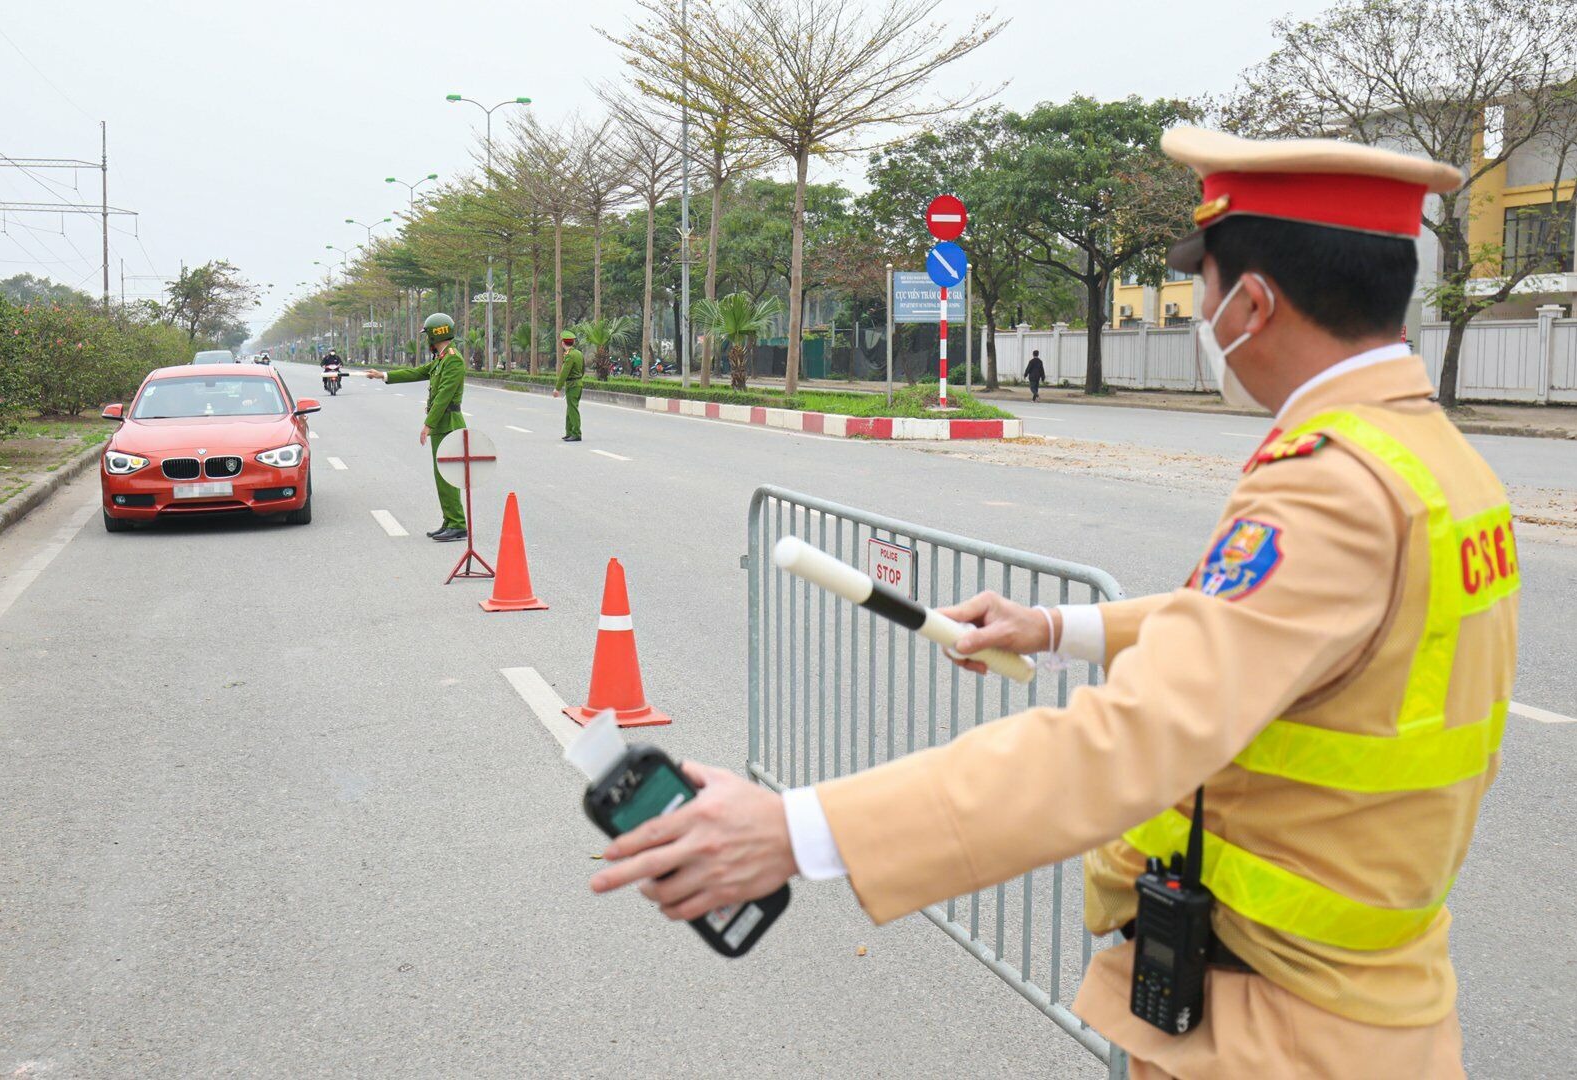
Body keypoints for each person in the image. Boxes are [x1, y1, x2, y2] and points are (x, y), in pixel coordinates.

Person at [590, 129, 1515, 1078]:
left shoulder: (1330, 486)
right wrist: (1058, 628)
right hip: (1365, 1007)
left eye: (1205, 286)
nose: (1203, 311)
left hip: (1282, 1035)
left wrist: (796, 830)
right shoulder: (1435, 462)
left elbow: (1125, 743)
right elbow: (1280, 630)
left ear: (1253, 303)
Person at [365, 313, 467, 541]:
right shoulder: (441, 359)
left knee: (447, 475)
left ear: (435, 333)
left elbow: (443, 396)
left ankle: (458, 523)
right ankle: (449, 520)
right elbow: (417, 372)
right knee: (441, 475)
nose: (426, 339)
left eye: (427, 335)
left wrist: (428, 424)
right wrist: (383, 375)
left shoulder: (453, 359)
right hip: (442, 425)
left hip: (448, 424)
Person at [552, 330, 585, 442]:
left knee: (573, 409)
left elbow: (564, 373)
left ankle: (576, 433)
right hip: (578, 384)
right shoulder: (579, 353)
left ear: (563, 343)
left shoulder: (570, 355)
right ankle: (569, 432)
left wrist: (557, 388)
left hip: (573, 385)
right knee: (570, 409)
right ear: (573, 343)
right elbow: (583, 369)